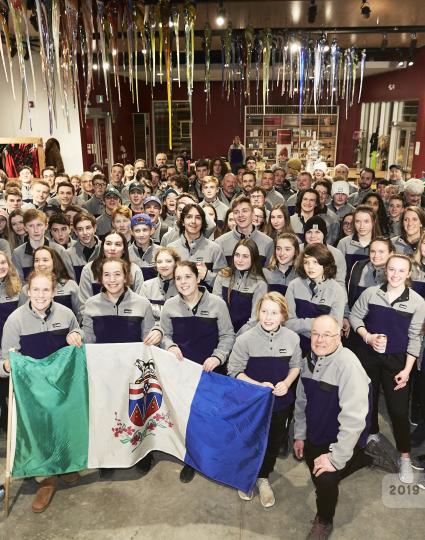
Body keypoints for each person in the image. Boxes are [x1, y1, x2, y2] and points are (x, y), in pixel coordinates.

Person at [1, 270, 83, 513]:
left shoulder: (66, 314)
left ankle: (64, 465)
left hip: (61, 387)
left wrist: (77, 334)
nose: (40, 295)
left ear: (54, 291)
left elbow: (78, 336)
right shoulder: (15, 320)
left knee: (63, 426)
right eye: (35, 289)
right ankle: (45, 478)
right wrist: (8, 364)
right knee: (39, 433)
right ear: (27, 290)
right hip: (32, 393)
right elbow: (3, 363)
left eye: (45, 289)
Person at [294, 315, 372, 540]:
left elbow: (354, 419)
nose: (319, 340)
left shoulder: (348, 364)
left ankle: (324, 520)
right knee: (312, 462)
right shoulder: (309, 360)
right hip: (318, 431)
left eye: (327, 335)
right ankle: (365, 457)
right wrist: (300, 435)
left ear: (339, 337)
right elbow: (301, 401)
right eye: (315, 334)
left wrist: (335, 458)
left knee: (325, 478)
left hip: (344, 436)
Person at [350, 254, 425, 484]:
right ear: (386, 270)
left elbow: (415, 338)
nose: (395, 274)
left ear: (408, 274)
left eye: (401, 271)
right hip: (369, 357)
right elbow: (354, 317)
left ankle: (404, 457)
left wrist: (407, 370)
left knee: (399, 412)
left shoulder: (417, 302)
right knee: (368, 401)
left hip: (397, 362)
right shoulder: (371, 293)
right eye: (391, 269)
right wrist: (367, 337)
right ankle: (371, 434)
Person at [160, 261, 235, 483]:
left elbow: (228, 335)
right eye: (178, 278)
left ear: (198, 278)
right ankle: (191, 459)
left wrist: (217, 356)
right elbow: (164, 334)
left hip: (210, 370)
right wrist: (169, 346)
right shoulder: (170, 306)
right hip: (182, 372)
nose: (183, 282)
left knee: (210, 416)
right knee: (187, 417)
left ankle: (213, 458)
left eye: (187, 277)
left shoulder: (217, 304)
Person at [228, 292, 302, 507]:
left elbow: (296, 365)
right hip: (252, 404)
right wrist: (257, 385)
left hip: (280, 403)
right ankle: (245, 478)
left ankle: (263, 477)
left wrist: (287, 383)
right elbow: (234, 371)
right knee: (249, 439)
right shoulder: (245, 339)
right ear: (258, 312)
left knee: (272, 441)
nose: (268, 317)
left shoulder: (292, 338)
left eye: (274, 312)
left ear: (283, 316)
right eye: (264, 311)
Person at [285, 244, 347, 357]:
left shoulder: (337, 290)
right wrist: (316, 323)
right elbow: (288, 323)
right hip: (294, 345)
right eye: (306, 262)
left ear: (325, 264)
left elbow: (334, 328)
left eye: (315, 262)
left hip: (324, 348)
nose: (310, 267)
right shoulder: (294, 285)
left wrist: (302, 325)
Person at [213, 239, 268, 334]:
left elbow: (255, 320)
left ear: (253, 258)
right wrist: (225, 336)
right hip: (222, 333)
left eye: (245, 256)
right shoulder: (222, 274)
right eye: (237, 255)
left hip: (245, 337)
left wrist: (236, 338)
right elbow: (216, 308)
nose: (240, 260)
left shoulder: (260, 284)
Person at [168, 204, 226, 291]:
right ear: (183, 222)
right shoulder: (171, 248)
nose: (193, 221)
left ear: (203, 222)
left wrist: (207, 275)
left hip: (206, 303)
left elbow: (224, 283)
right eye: (189, 217)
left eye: (198, 217)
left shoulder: (215, 249)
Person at [78, 231, 144, 309]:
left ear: (124, 250)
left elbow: (140, 304)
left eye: (117, 244)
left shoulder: (134, 270)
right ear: (102, 247)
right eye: (108, 244)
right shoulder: (89, 269)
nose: (112, 248)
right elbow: (84, 305)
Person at [12, 209, 74, 281]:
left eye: (39, 225)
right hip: (29, 291)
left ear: (46, 226)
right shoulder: (17, 253)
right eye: (31, 226)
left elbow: (68, 280)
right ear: (25, 228)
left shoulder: (59, 250)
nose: (36, 230)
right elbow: (17, 283)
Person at [19, 245, 80, 316]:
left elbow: (80, 313)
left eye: (45, 260)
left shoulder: (70, 285)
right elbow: (22, 316)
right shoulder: (26, 289)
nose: (40, 264)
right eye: (37, 260)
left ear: (54, 262)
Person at [215, 196, 273, 266]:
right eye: (236, 212)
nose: (240, 215)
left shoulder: (268, 243)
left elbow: (269, 273)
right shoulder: (220, 243)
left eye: (244, 211)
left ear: (253, 214)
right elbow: (219, 273)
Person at [0, 252, 21, 432]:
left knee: (10, 392)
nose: (0, 267)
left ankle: (11, 430)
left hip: (10, 347)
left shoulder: (17, 288)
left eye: (2, 263)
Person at [302, 216, 347, 289]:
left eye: (317, 232)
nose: (313, 236)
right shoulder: (298, 250)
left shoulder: (336, 254)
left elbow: (340, 283)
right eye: (309, 232)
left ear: (324, 234)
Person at [337, 205, 377, 280]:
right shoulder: (344, 243)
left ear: (373, 222)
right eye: (358, 221)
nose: (362, 226)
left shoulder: (381, 245)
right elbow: (338, 273)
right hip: (348, 289)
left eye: (366, 221)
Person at [141, 247, 180, 322]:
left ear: (175, 263)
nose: (164, 265)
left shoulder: (183, 286)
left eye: (168, 261)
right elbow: (143, 317)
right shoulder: (146, 286)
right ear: (155, 264)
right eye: (159, 262)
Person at [128, 213, 159, 280]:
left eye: (145, 230)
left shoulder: (160, 252)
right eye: (137, 231)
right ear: (131, 232)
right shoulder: (126, 254)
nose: (141, 234)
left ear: (152, 231)